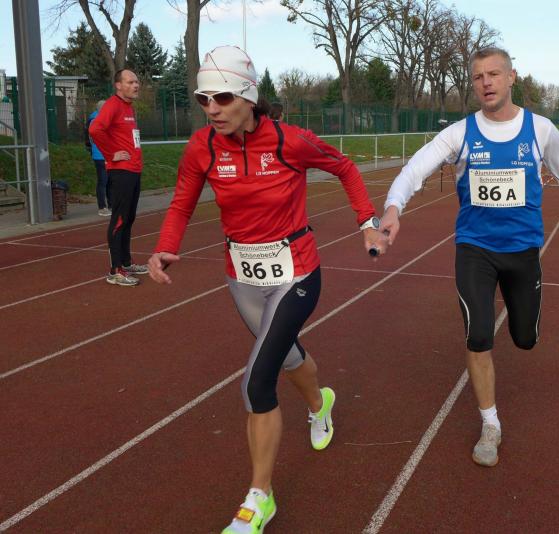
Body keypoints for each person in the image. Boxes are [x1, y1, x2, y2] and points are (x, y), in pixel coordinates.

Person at [146, 46, 386, 533]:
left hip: (297, 273)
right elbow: (182, 204)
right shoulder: (201, 148)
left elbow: (344, 167)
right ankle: (321, 404)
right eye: (203, 99)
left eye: (222, 97)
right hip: (243, 278)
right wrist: (166, 247)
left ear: (248, 97)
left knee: (257, 381)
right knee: (286, 355)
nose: (212, 108)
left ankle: (260, 498)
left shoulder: (289, 141)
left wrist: (367, 222)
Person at [379, 47, 559, 468]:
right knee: (478, 334)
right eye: (478, 77)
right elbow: (415, 168)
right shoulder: (460, 134)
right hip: (475, 249)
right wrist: (394, 207)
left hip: (523, 251)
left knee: (525, 338)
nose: (485, 82)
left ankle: (521, 327)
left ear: (511, 78)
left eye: (493, 74)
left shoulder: (540, 130)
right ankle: (490, 424)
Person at [89, 69, 148, 286]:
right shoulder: (112, 105)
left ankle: (126, 262)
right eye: (130, 82)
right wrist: (111, 153)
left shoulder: (128, 107)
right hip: (121, 171)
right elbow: (95, 129)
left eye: (136, 81)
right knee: (120, 219)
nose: (136, 85)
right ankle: (115, 270)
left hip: (133, 170)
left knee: (129, 218)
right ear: (118, 85)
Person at [85, 99, 111, 216]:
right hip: (100, 155)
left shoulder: (101, 119)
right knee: (103, 181)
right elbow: (97, 138)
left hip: (106, 155)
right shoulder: (96, 120)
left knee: (109, 181)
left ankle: (111, 205)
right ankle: (102, 207)